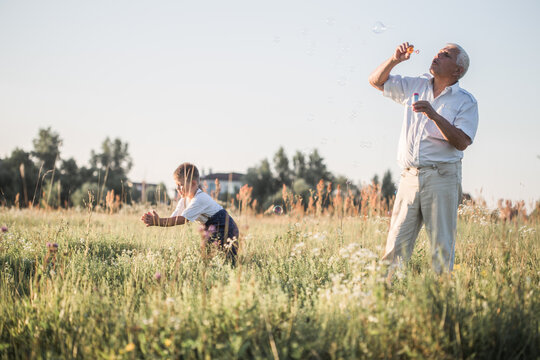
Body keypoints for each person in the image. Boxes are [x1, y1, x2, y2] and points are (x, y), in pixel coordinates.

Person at [369, 42, 479, 274]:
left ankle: (439, 303)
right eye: (438, 52)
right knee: (395, 244)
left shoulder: (466, 101)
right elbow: (376, 82)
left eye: (445, 55)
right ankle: (388, 296)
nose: (437, 55)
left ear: (457, 71)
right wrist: (395, 60)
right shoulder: (416, 84)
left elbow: (461, 142)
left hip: (442, 177)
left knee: (441, 246)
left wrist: (434, 115)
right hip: (409, 177)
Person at [141, 162, 239, 263]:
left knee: (227, 259)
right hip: (211, 227)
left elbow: (182, 219)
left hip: (226, 227)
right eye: (176, 185)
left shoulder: (200, 199)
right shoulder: (185, 200)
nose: (177, 189)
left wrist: (158, 221)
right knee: (207, 255)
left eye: (180, 185)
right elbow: (174, 218)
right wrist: (157, 220)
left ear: (193, 183)